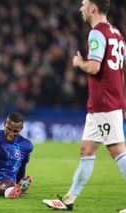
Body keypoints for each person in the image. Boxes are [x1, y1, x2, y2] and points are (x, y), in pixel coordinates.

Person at [42, 0, 126, 211]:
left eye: (83, 4)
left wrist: (79, 63)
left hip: (106, 101)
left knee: (117, 150)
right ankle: (69, 199)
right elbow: (122, 70)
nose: (80, 8)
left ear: (92, 8)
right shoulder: (117, 33)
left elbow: (95, 67)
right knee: (86, 149)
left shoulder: (97, 32)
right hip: (106, 102)